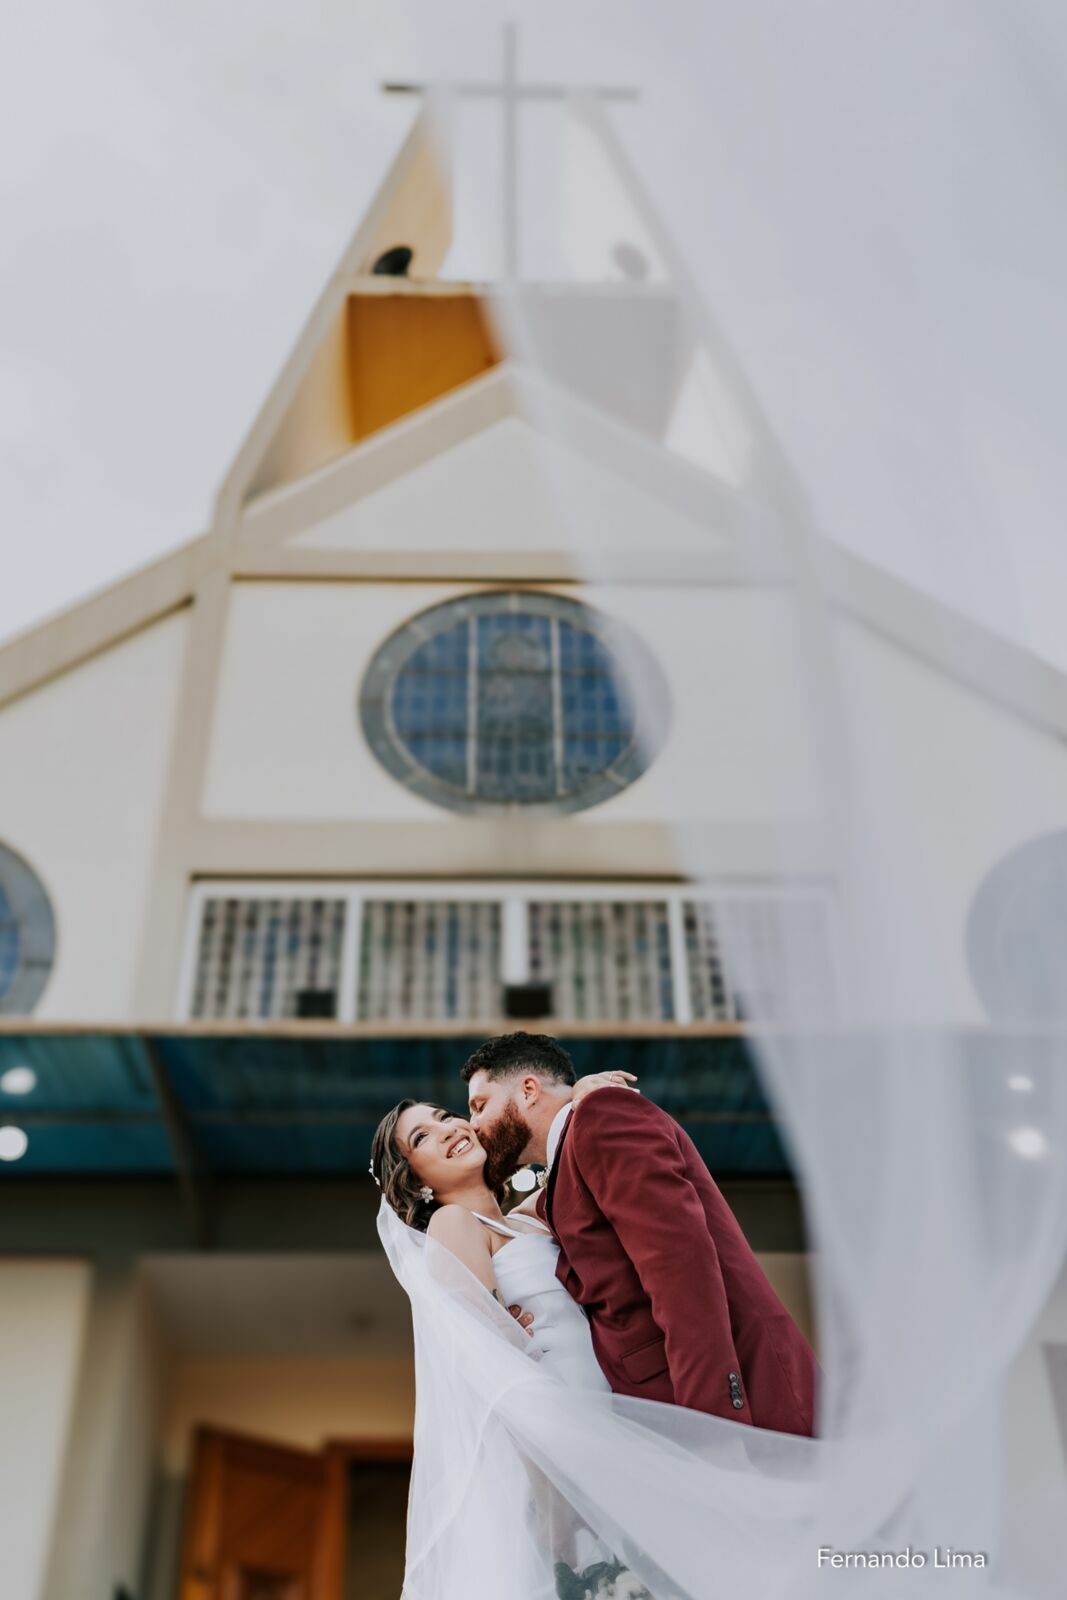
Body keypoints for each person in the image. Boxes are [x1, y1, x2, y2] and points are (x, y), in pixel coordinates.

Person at [463, 1032, 817, 1436]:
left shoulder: (602, 1117)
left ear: (528, 1090)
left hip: (745, 1415)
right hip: (655, 1419)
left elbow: (683, 1276)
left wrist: (715, 1426)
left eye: (480, 1105)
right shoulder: (562, 1173)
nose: (473, 1124)